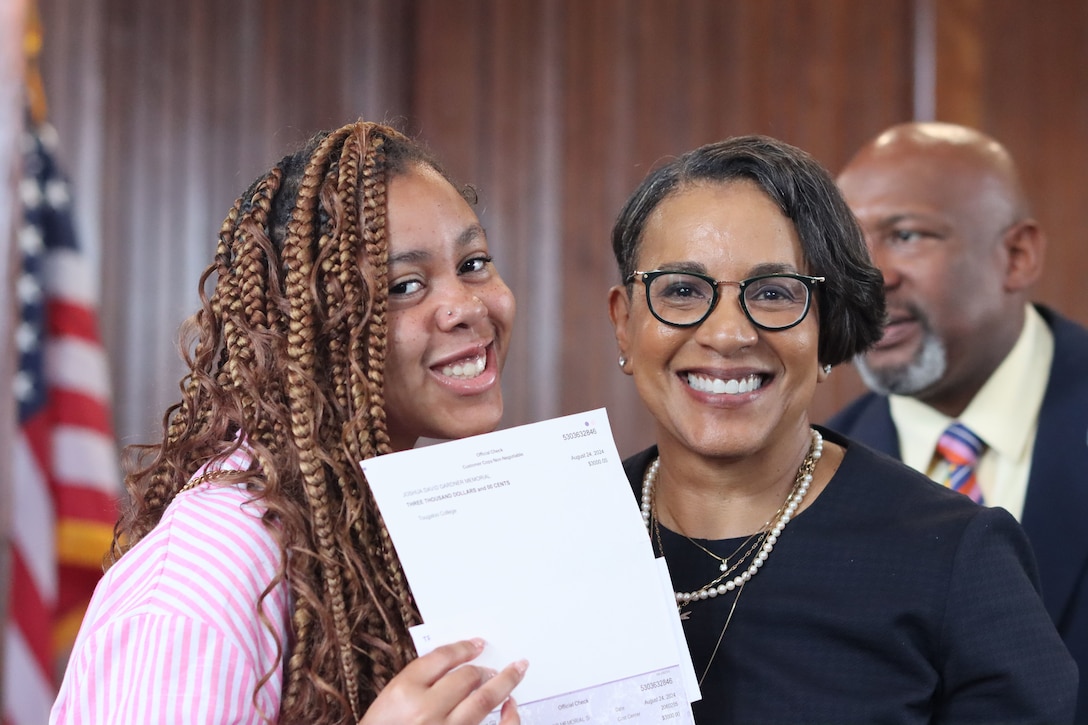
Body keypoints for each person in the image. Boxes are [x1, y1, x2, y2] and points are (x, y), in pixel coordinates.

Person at [50, 120, 527, 724]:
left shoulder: (384, 522)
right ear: (311, 325)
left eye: (475, 262)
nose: (467, 307)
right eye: (405, 285)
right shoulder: (210, 571)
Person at [607, 134, 1077, 723]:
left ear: (827, 330)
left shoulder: (956, 557)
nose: (727, 334)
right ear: (625, 324)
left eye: (775, 293)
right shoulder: (555, 539)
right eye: (681, 290)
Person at [827, 121, 1088, 722]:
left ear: (1016, 256)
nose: (869, 278)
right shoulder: (812, 474)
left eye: (907, 235)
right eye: (846, 247)